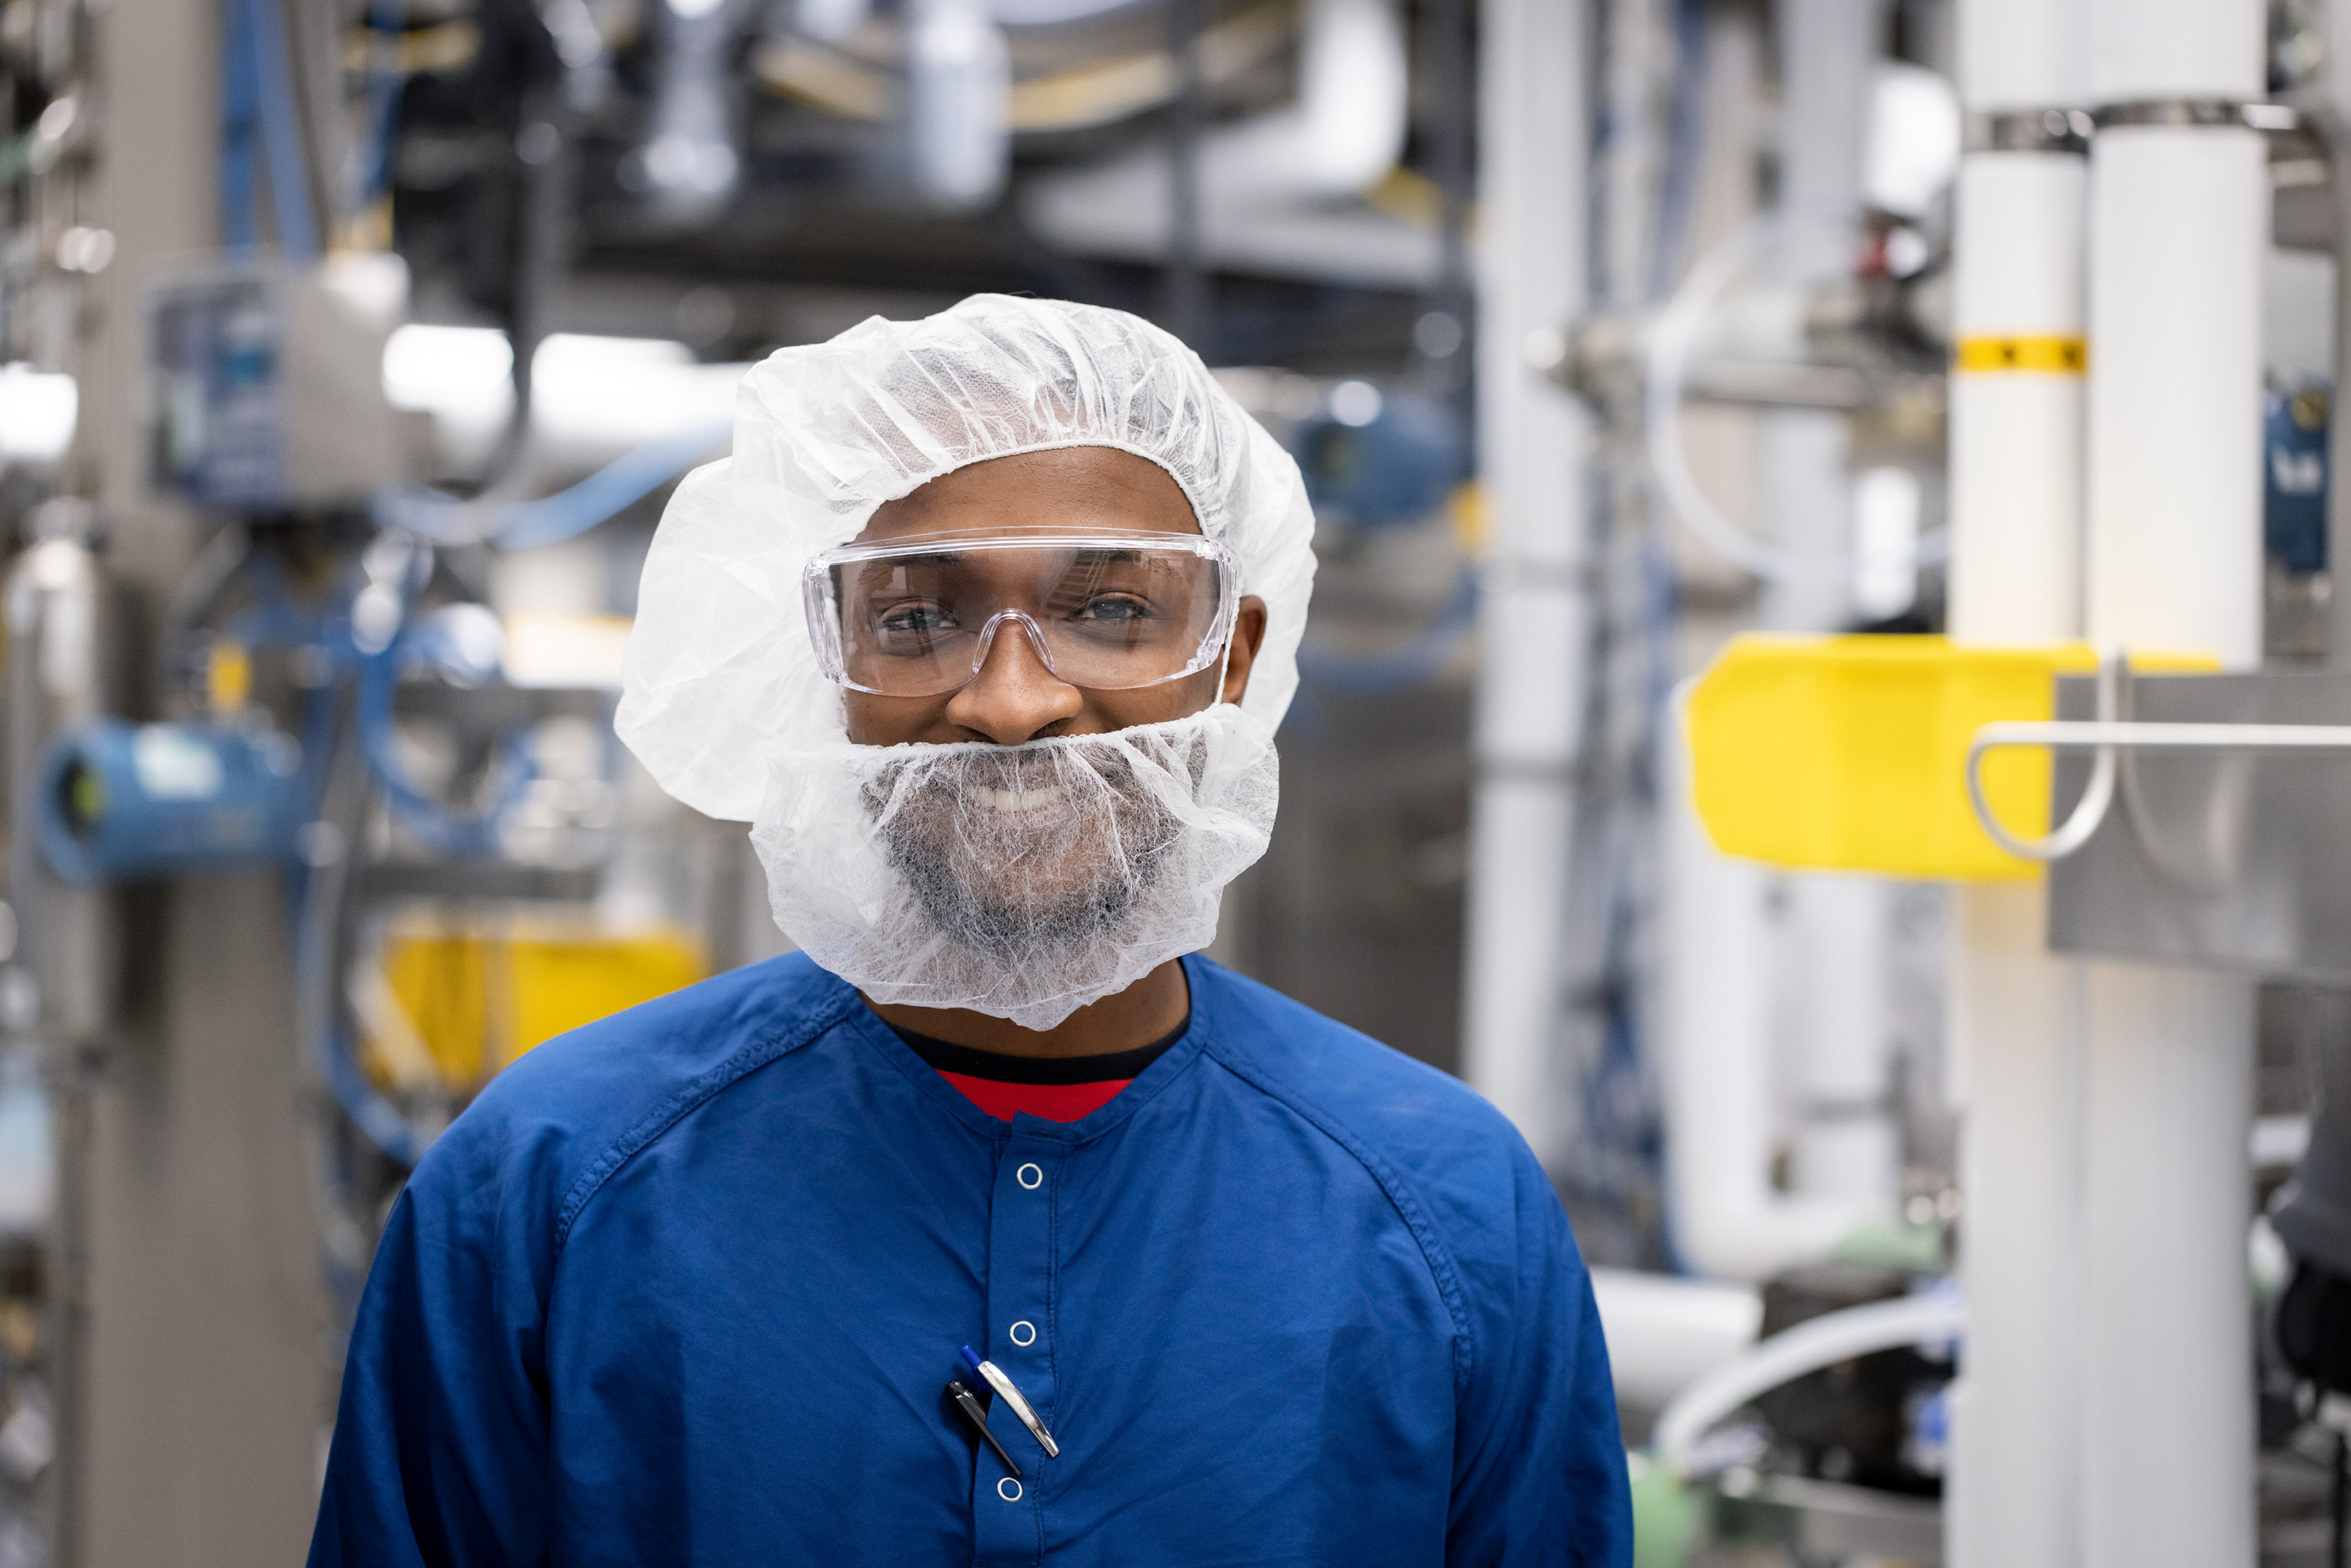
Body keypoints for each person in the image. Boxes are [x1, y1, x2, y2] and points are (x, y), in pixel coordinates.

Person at [308, 295, 1631, 1566]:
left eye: (1108, 610)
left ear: (1231, 658)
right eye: (917, 617)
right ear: (825, 658)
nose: (1010, 700)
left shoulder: (1452, 1220)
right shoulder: (545, 1192)